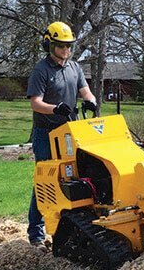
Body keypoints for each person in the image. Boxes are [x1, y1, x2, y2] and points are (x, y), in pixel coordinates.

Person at [26, 21, 97, 251]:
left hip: (68, 133)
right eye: (61, 46)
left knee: (73, 178)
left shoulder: (74, 67)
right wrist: (55, 108)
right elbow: (35, 103)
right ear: (50, 45)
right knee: (46, 181)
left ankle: (68, 227)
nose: (65, 50)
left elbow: (83, 89)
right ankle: (35, 233)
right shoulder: (41, 70)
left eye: (68, 46)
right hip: (46, 133)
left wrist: (90, 100)